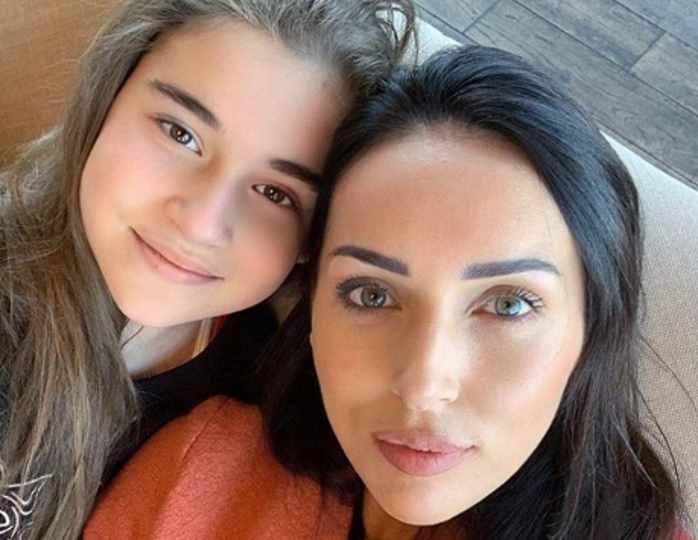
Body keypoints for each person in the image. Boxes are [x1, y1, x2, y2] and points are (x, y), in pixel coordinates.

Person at [84, 46, 691, 539]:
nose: (424, 385)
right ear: (313, 309)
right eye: (371, 295)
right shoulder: (198, 470)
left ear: (591, 327)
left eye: (508, 304)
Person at [0, 1, 416, 538]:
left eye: (275, 193)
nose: (200, 225)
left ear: (312, 240)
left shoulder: (281, 401)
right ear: (105, 100)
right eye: (180, 133)